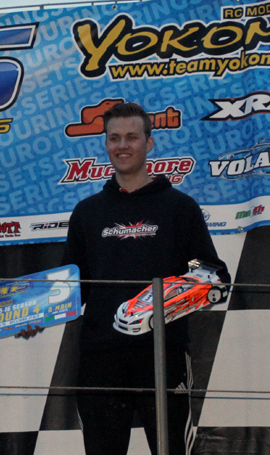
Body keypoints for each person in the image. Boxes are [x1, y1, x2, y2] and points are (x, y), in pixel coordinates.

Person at [61, 102, 230, 455]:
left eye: (132, 137)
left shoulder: (180, 207)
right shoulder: (87, 212)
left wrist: (186, 290)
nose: (122, 146)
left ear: (149, 143)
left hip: (163, 354)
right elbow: (72, 286)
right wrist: (34, 315)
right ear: (105, 144)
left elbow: (212, 272)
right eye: (114, 138)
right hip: (101, 356)